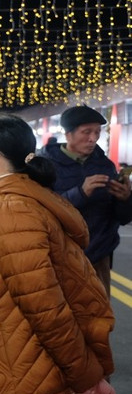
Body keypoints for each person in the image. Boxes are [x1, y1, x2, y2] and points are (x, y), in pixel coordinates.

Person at [0, 113, 119, 394]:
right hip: (33, 380)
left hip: (27, 392)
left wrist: (87, 382)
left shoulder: (8, 211)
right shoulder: (21, 203)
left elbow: (49, 312)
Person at [37, 105, 132, 295]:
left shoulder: (105, 166)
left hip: (99, 256)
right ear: (68, 134)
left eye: (97, 132)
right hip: (59, 256)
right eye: (86, 132)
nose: (93, 138)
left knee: (98, 318)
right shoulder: (45, 166)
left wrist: (126, 199)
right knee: (61, 318)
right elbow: (40, 210)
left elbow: (122, 217)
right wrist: (80, 193)